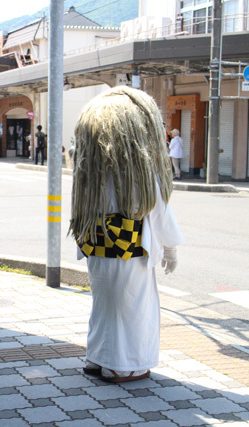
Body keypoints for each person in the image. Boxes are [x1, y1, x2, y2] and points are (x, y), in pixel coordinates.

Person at [70, 86, 184, 383]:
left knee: (104, 305)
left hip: (97, 246)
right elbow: (158, 211)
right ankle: (122, 366)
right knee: (131, 308)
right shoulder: (139, 174)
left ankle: (96, 358)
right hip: (128, 249)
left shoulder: (90, 173)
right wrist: (170, 248)